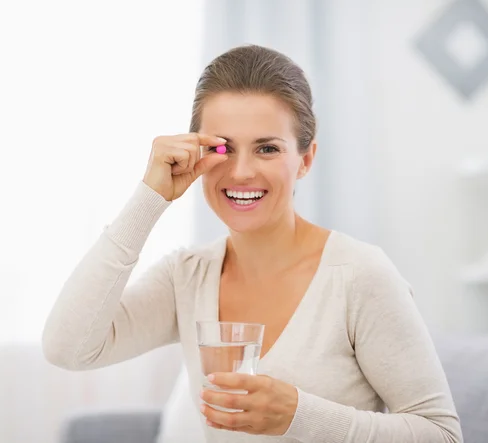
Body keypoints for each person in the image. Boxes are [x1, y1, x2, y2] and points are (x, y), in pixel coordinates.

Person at [42, 44, 463, 442]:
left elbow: (442, 434)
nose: (241, 172)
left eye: (267, 148)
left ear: (306, 159)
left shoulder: (359, 276)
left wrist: (299, 415)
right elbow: (69, 348)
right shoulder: (187, 276)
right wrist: (150, 199)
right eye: (222, 147)